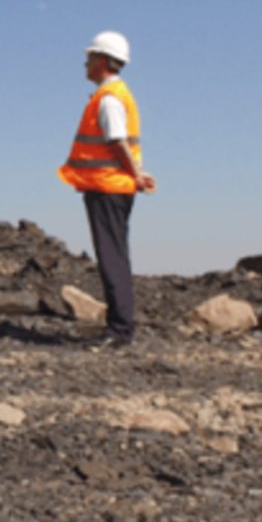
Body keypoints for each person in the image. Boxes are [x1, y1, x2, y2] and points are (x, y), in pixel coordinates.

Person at [58, 31, 155, 348]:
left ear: (101, 60)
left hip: (108, 188)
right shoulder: (114, 95)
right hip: (111, 187)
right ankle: (119, 325)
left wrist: (137, 176)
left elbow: (117, 142)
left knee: (112, 257)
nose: (85, 64)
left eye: (89, 58)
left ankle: (120, 330)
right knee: (116, 254)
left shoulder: (109, 98)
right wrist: (137, 175)